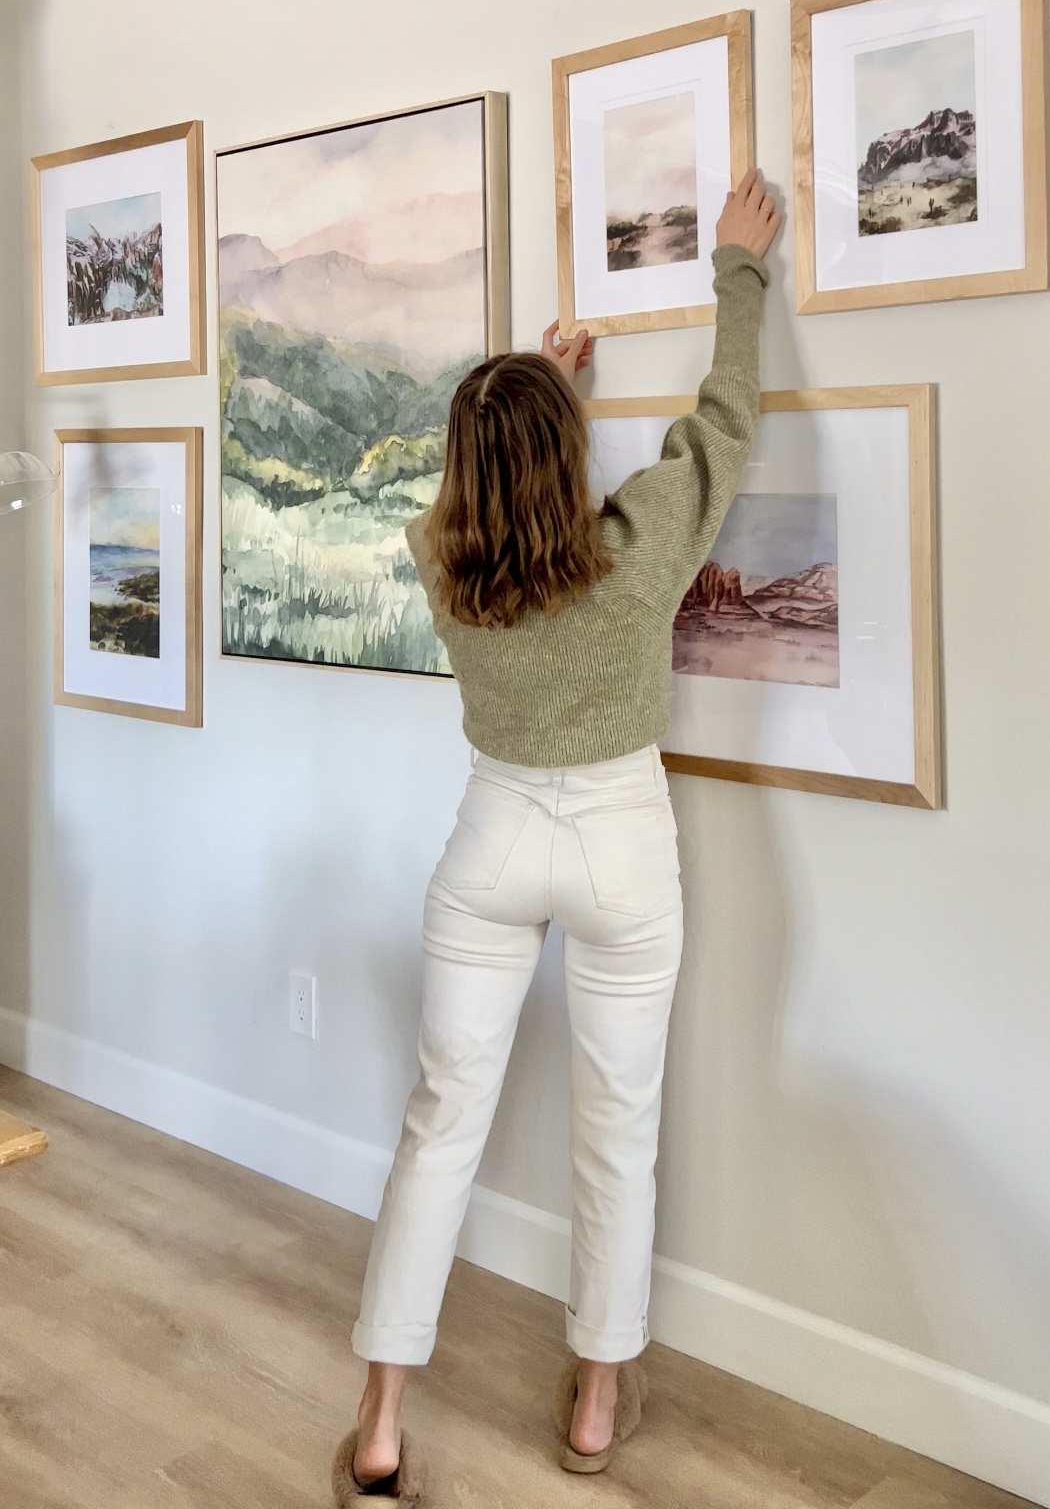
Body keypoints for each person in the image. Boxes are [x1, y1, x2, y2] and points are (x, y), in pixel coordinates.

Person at [332, 171, 782, 1503]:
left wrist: (536, 388)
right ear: (565, 454)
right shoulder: (637, 545)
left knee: (438, 1124)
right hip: (619, 845)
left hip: (490, 841)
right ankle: (594, 1398)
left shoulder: (434, 553)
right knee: (615, 1129)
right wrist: (738, 272)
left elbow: (493, 496)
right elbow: (726, 422)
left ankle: (380, 1415)